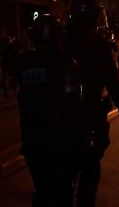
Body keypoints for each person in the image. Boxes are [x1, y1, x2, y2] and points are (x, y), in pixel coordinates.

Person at [66, 0, 119, 207]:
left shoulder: (61, 41)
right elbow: (112, 81)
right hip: (90, 112)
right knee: (90, 165)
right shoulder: (99, 45)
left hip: (59, 116)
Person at [16, 14, 87, 207]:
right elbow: (73, 103)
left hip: (34, 138)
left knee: (42, 190)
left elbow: (25, 97)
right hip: (62, 138)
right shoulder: (65, 62)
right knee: (64, 191)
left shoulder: (24, 63)